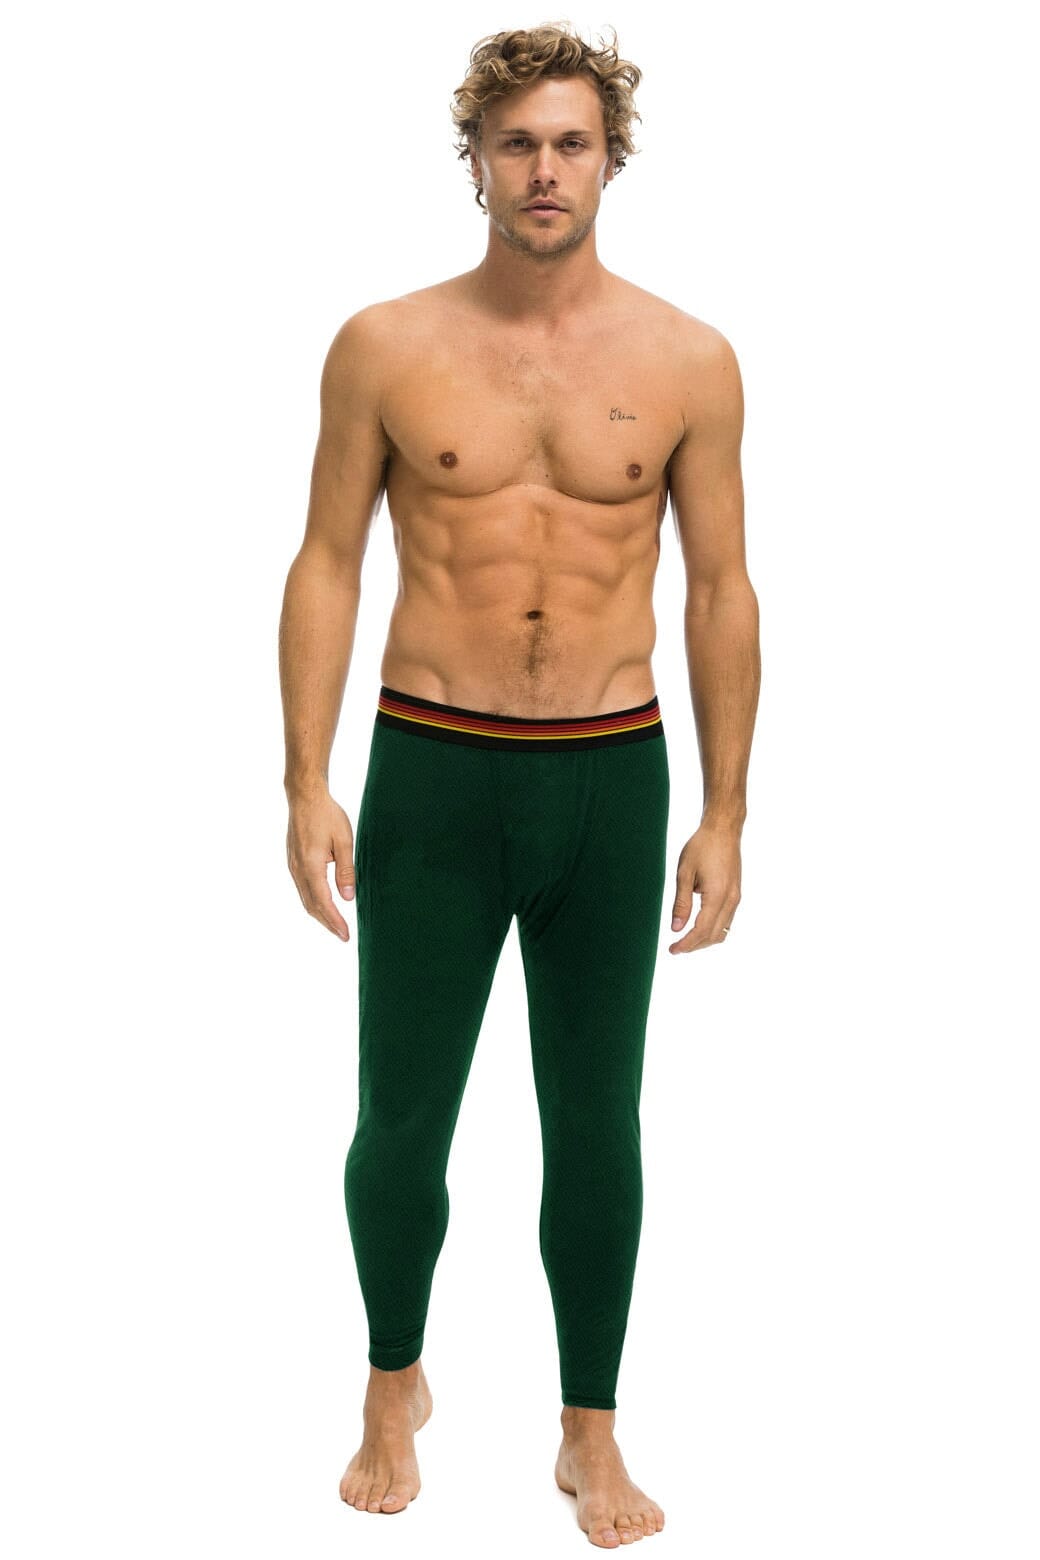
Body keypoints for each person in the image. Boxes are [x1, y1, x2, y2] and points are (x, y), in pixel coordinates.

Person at [278, 22, 760, 1551]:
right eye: (517, 144)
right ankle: (392, 1382)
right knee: (398, 1120)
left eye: (570, 144)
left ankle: (588, 1427)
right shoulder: (385, 346)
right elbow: (328, 561)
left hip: (609, 782)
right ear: (475, 161)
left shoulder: (689, 359)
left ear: (610, 160)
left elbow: (722, 589)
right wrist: (305, 779)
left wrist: (727, 809)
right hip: (431, 772)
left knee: (597, 1124)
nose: (544, 170)